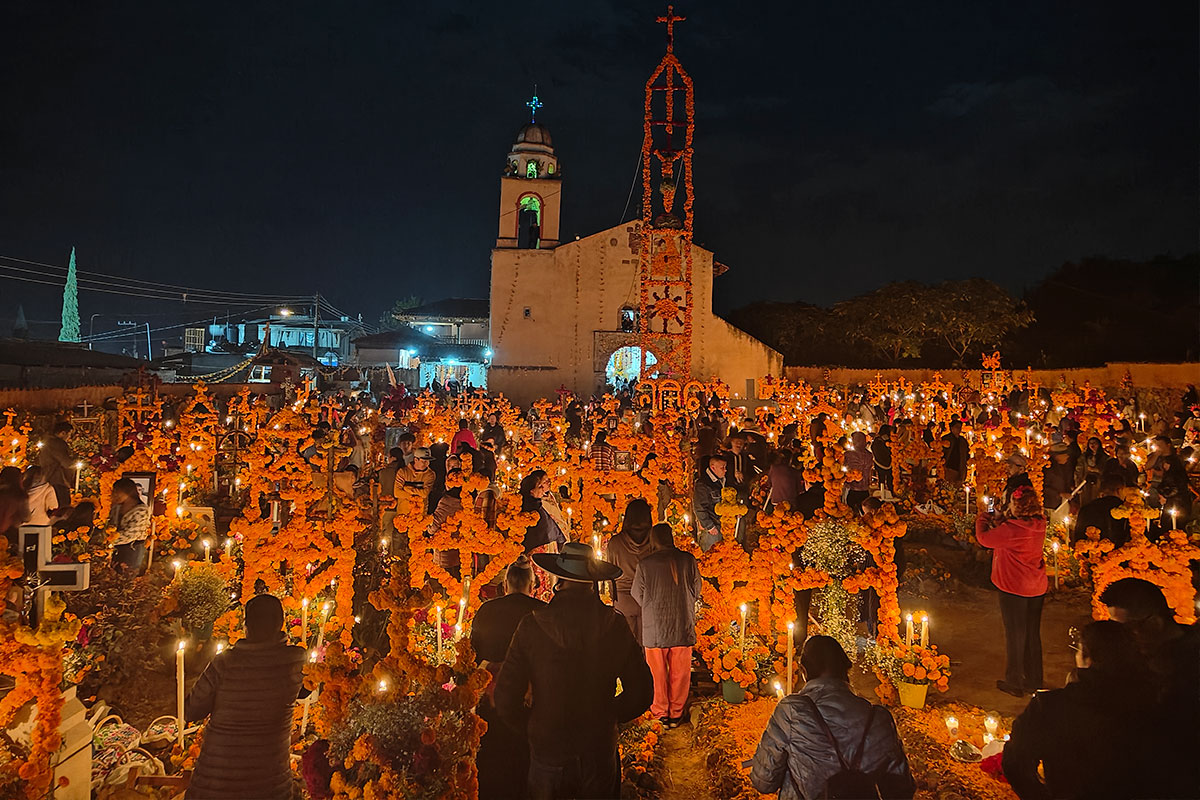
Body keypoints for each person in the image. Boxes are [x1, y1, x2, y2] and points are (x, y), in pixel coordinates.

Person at [495, 542, 653, 800]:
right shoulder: (614, 625)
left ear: (559, 579)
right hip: (598, 746)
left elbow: (506, 697)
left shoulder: (532, 625)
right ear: (593, 581)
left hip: (549, 747)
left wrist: (535, 725)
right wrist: (609, 715)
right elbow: (642, 692)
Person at [750, 636, 914, 800]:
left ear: (804, 672)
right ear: (847, 670)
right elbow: (901, 790)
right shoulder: (879, 718)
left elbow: (763, 782)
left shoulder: (791, 712)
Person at [1002, 620, 1152, 800]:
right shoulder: (1151, 699)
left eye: (1078, 650)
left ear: (1087, 658)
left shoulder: (1050, 706)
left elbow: (1015, 761)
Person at [184, 594, 306, 800]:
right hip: (270, 785)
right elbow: (308, 690)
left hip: (215, 785)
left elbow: (191, 710)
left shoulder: (225, 663)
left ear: (246, 626)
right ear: (281, 624)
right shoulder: (296, 662)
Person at [1100, 577, 1200, 798]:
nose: (1116, 640)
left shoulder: (1189, 668)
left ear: (1154, 623)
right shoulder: (1137, 659)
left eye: (1123, 630)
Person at [472, 558, 547, 800]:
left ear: (505, 584)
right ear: (532, 584)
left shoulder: (486, 610)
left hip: (491, 701)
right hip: (529, 701)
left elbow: (474, 655)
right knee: (523, 759)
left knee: (493, 757)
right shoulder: (542, 611)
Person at [976, 485, 1047, 697]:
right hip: (1036, 586)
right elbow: (1010, 533)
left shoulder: (1012, 530)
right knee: (1032, 634)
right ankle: (1034, 679)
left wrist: (983, 517)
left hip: (1014, 587)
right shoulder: (1038, 524)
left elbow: (985, 539)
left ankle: (1014, 681)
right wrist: (1000, 519)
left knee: (1015, 634)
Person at [631, 523, 701, 728]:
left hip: (655, 627)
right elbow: (696, 590)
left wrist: (652, 605)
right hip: (682, 623)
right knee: (680, 672)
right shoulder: (688, 560)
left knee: (656, 673)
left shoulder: (645, 564)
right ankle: (676, 714)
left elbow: (638, 595)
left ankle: (660, 713)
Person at [605, 498, 653, 645]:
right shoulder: (653, 540)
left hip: (623, 598)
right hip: (647, 597)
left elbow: (609, 572)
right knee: (647, 646)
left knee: (626, 646)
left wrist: (613, 598)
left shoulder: (615, 542)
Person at [1071, 475, 1130, 545]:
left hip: (1092, 552)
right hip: (1121, 553)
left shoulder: (1087, 508)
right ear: (1120, 490)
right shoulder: (1126, 511)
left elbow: (1078, 536)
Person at [109, 477, 151, 574]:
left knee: (126, 579)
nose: (114, 495)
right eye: (113, 492)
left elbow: (130, 534)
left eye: (117, 492)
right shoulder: (117, 507)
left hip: (131, 549)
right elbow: (111, 526)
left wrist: (107, 541)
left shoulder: (141, 510)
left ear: (128, 492)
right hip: (117, 548)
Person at [692, 454, 725, 552]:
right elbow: (699, 507)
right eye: (722, 467)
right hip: (711, 529)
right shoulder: (703, 484)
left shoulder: (720, 481)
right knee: (709, 557)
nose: (725, 470)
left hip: (720, 525)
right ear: (713, 467)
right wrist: (710, 526)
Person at [39, 420, 75, 507]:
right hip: (58, 479)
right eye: (69, 435)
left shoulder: (47, 442)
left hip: (47, 478)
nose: (69, 438)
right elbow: (66, 462)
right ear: (63, 433)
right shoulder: (58, 443)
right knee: (62, 506)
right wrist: (75, 462)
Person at [843, 431, 873, 512]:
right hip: (865, 489)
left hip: (853, 489)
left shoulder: (848, 454)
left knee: (851, 513)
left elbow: (843, 469)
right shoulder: (870, 455)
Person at [1075, 437, 1109, 506]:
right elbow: (1078, 470)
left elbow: (1107, 470)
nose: (1092, 445)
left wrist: (1097, 470)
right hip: (1086, 482)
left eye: (1095, 443)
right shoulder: (1084, 456)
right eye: (1091, 443)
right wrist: (1078, 483)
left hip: (1098, 483)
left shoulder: (1104, 457)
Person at [1041, 443, 1074, 511]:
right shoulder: (1048, 469)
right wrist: (1059, 494)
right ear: (1056, 456)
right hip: (1050, 505)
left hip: (1063, 504)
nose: (1067, 456)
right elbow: (1043, 487)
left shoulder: (1066, 467)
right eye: (1065, 454)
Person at [941, 420, 969, 485]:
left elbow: (966, 453)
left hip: (960, 467)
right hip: (949, 467)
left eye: (960, 427)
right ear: (951, 428)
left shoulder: (963, 441)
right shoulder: (946, 439)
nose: (959, 429)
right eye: (957, 427)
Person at [871, 425, 894, 498]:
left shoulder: (877, 440)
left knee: (882, 479)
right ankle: (890, 492)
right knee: (888, 479)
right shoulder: (885, 440)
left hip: (879, 462)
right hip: (885, 461)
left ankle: (883, 493)